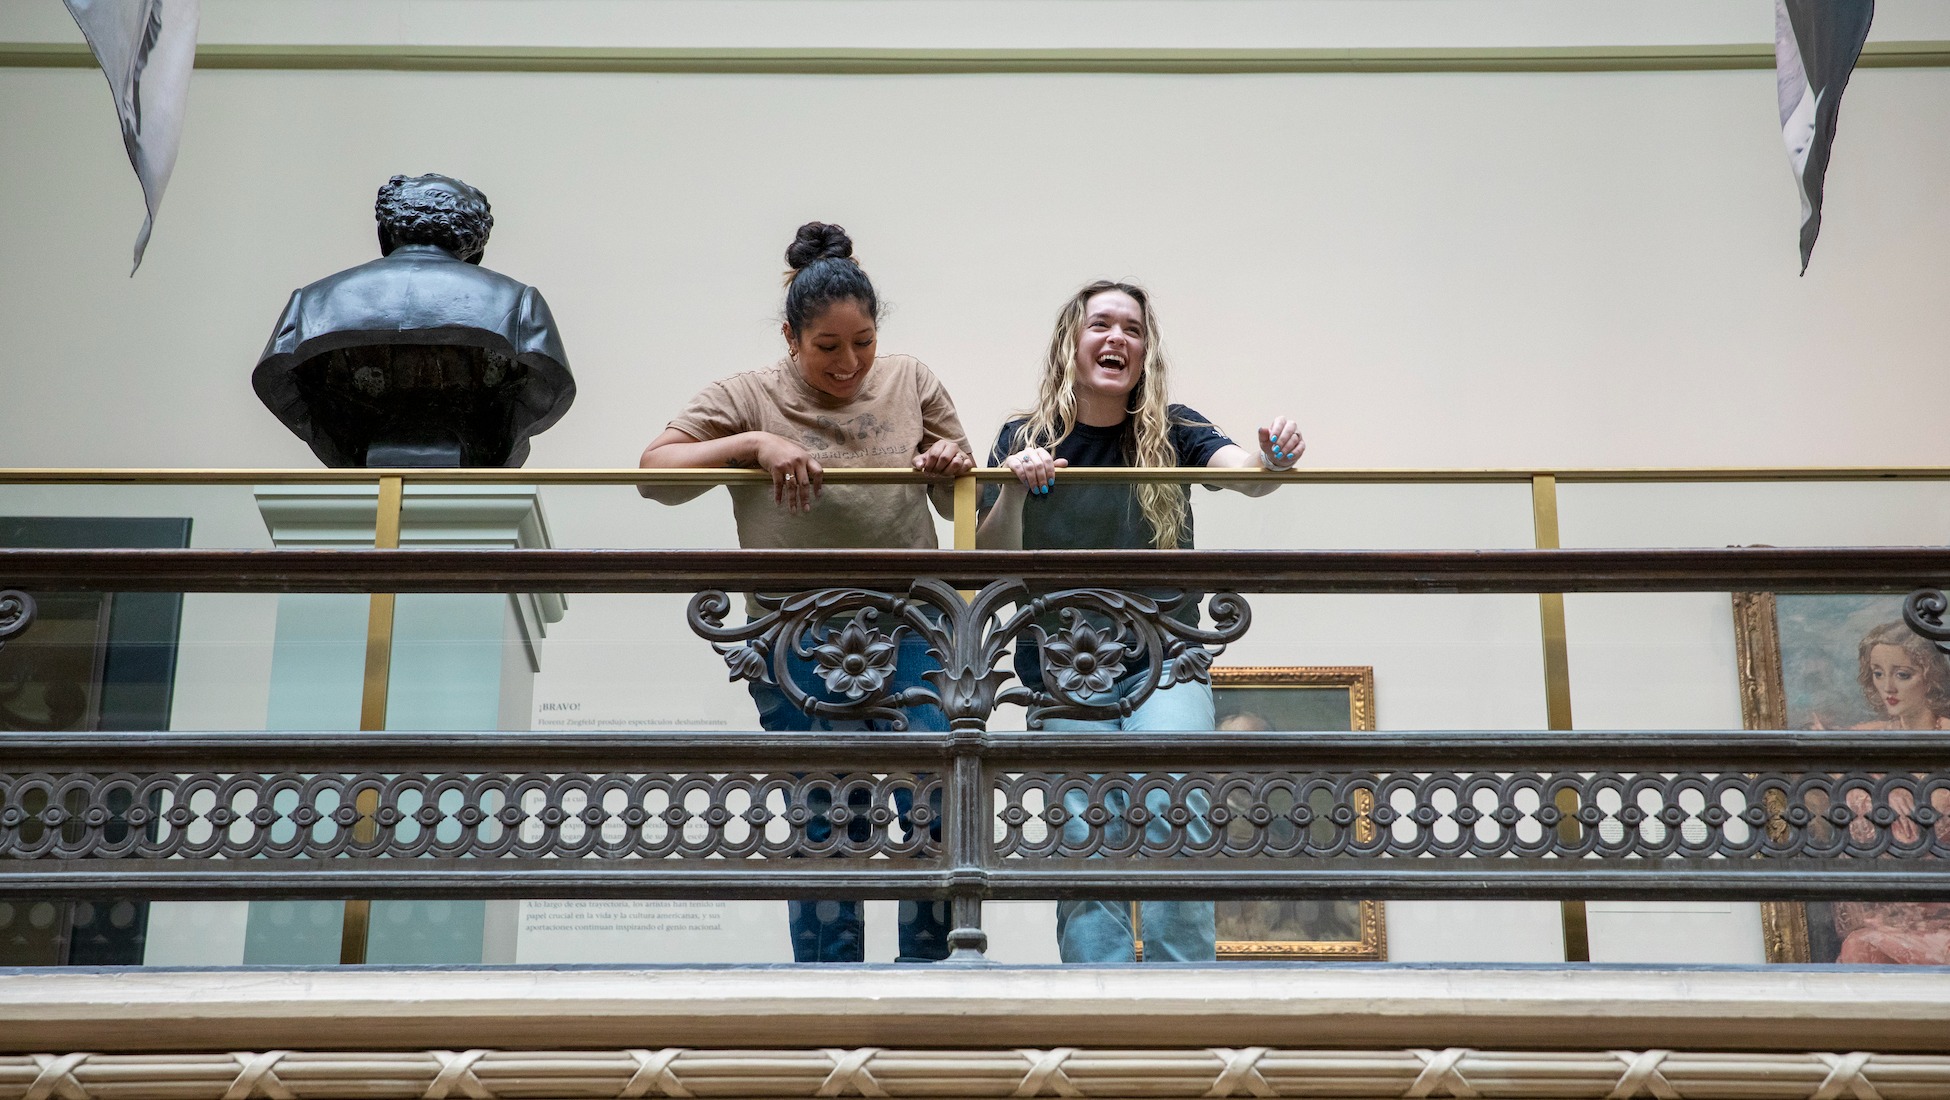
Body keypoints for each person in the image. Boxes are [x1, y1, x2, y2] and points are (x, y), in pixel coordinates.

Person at [639, 222, 974, 963]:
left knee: (934, 799)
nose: (849, 363)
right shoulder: (747, 393)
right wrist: (751, 445)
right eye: (827, 348)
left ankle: (934, 975)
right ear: (791, 339)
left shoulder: (911, 379)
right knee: (831, 807)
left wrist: (951, 461)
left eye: (864, 343)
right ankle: (831, 987)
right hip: (798, 633)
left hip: (915, 623)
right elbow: (653, 473)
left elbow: (963, 507)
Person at [977, 279, 1304, 963]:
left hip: (1168, 658)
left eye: (1131, 328)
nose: (1116, 339)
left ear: (1145, 351)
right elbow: (988, 555)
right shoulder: (1023, 437)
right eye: (1101, 325)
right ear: (1072, 343)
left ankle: (1185, 998)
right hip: (1065, 668)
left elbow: (1244, 473)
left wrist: (1271, 459)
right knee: (1084, 834)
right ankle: (1095, 1002)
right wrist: (1014, 484)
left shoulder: (1174, 428)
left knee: (1175, 814)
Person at [1824, 621, 1950, 964]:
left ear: (1930, 677)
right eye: (1878, 674)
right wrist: (1882, 790)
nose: (1887, 688)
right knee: (1861, 946)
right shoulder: (1866, 739)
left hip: (1943, 920)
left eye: (1903, 675)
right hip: (1891, 918)